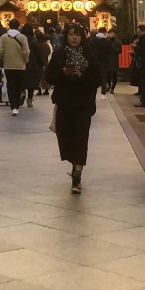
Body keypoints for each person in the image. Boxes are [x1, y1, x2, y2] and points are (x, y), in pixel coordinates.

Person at [46, 22, 102, 193]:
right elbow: (49, 76)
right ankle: (74, 163)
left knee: (81, 137)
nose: (74, 38)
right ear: (66, 36)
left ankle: (77, 174)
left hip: (83, 103)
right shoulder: (59, 54)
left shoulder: (90, 55)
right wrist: (63, 73)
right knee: (66, 137)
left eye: (77, 34)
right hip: (65, 103)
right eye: (71, 34)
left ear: (82, 37)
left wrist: (82, 75)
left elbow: (98, 78)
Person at [0, 18, 30, 116]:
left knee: (10, 86)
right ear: (19, 27)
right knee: (19, 85)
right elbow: (26, 51)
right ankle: (18, 104)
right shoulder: (23, 37)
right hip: (20, 66)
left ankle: (13, 106)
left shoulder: (3, 37)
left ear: (9, 26)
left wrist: (4, 58)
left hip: (8, 65)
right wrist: (25, 60)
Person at [21, 24, 44, 107]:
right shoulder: (34, 41)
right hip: (33, 65)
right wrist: (41, 64)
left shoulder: (20, 40)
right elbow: (39, 54)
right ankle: (29, 100)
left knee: (22, 81)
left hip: (22, 64)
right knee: (31, 84)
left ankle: (22, 92)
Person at [131, 23, 145, 107]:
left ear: (143, 31)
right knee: (144, 83)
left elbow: (142, 51)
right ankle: (144, 100)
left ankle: (144, 101)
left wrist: (135, 48)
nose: (137, 33)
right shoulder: (142, 39)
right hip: (143, 65)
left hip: (144, 65)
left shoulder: (144, 39)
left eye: (139, 32)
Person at [90, 27, 112, 97]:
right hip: (104, 61)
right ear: (105, 32)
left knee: (94, 76)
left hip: (94, 61)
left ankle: (93, 91)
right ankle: (103, 93)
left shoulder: (92, 40)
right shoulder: (107, 41)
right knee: (103, 77)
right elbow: (109, 51)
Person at [34, 29, 52, 95]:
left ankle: (39, 90)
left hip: (37, 63)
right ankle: (46, 89)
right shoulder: (46, 45)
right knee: (45, 77)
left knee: (38, 77)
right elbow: (49, 52)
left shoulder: (36, 45)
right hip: (45, 62)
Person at [106, 28, 122, 94]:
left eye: (113, 33)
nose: (112, 34)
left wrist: (112, 48)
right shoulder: (106, 41)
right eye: (110, 32)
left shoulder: (118, 41)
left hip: (114, 60)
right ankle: (109, 85)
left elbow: (120, 51)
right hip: (107, 60)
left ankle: (112, 88)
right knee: (107, 74)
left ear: (115, 34)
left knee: (114, 74)